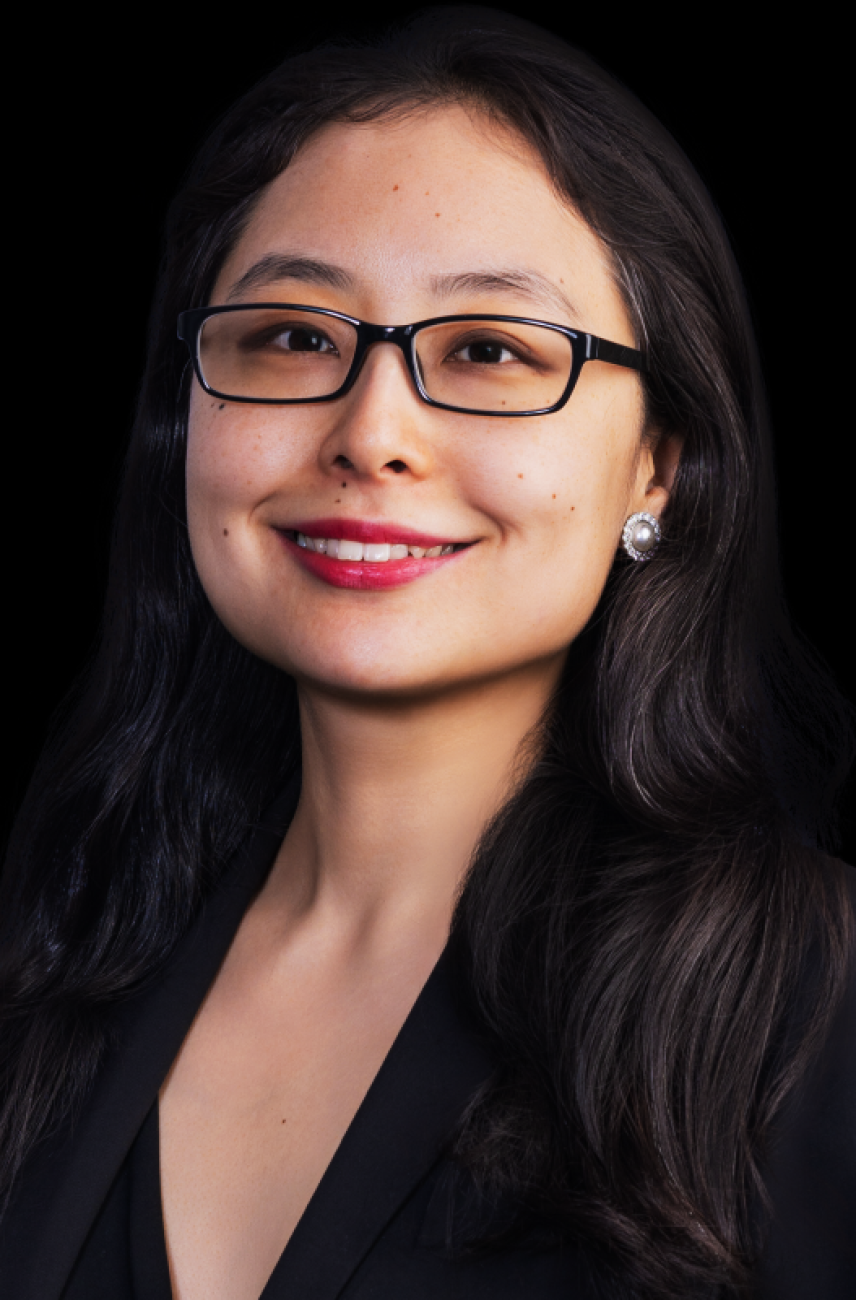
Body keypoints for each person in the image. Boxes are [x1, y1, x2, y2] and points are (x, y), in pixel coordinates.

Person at [1, 8, 853, 1299]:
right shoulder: (52, 954)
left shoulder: (816, 1017)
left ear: (660, 466)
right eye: (294, 336)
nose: (372, 433)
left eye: (491, 350)